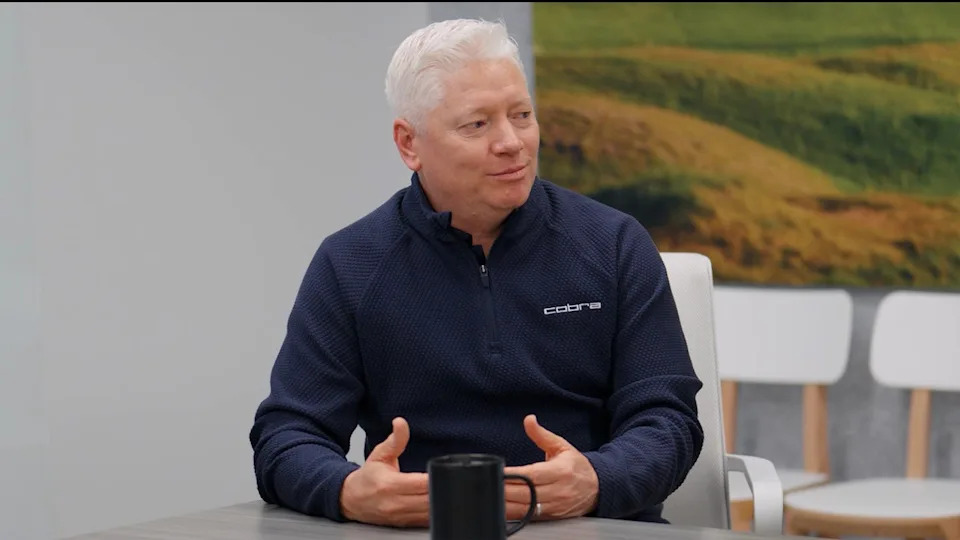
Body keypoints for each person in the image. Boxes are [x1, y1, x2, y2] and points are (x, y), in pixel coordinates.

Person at [249, 18, 704, 529]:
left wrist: (595, 479)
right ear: (409, 144)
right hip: (428, 530)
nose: (512, 142)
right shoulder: (349, 264)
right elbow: (285, 435)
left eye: (522, 115)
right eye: (478, 124)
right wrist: (347, 490)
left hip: (588, 524)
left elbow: (669, 422)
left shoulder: (614, 244)